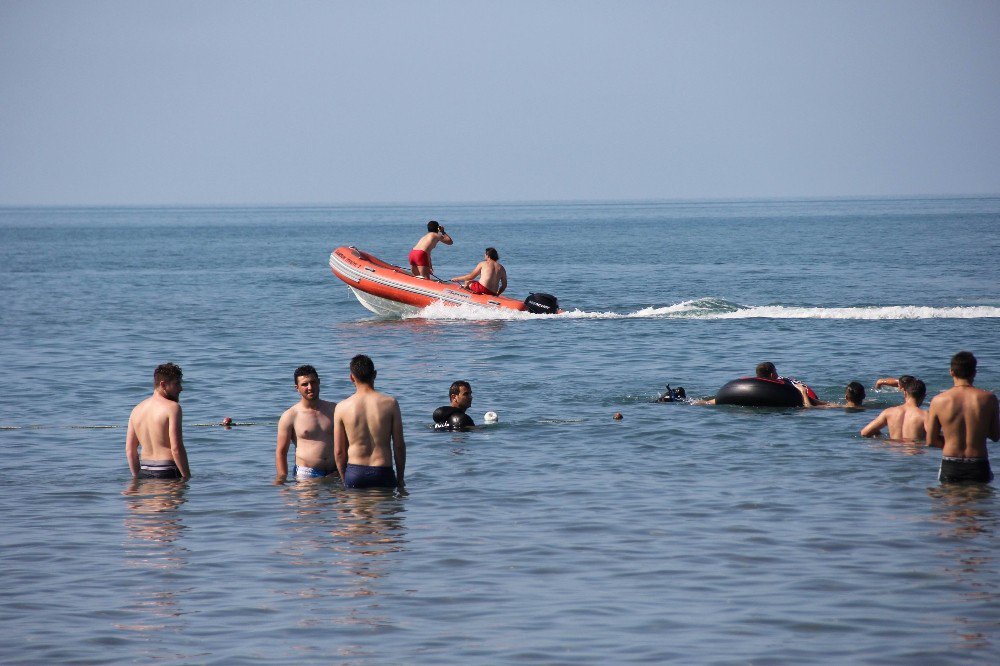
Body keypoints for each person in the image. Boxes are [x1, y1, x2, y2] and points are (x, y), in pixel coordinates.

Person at [333, 355, 406, 489]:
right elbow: (399, 446)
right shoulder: (390, 403)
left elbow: (339, 451)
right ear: (375, 375)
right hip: (382, 471)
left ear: (351, 377)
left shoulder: (342, 407)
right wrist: (400, 479)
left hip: (355, 472)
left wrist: (345, 479)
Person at [927, 351, 999, 483]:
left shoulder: (938, 401)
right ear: (974, 372)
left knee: (950, 501)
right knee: (980, 502)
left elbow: (931, 440)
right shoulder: (989, 399)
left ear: (951, 372)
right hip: (979, 463)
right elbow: (995, 436)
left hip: (951, 463)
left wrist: (951, 441)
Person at [125, 362, 191, 480]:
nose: (181, 388)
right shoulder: (173, 408)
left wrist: (137, 478)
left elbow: (130, 450)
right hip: (168, 471)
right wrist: (186, 477)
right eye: (177, 384)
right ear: (163, 384)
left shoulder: (136, 409)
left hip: (144, 472)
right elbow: (176, 448)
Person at [276, 365, 337, 481]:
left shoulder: (334, 409)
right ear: (297, 388)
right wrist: (281, 478)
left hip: (334, 472)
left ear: (319, 382)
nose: (310, 387)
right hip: (307, 473)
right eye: (304, 384)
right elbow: (281, 452)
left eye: (313, 382)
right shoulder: (290, 416)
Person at [697, 361, 818, 406]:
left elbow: (718, 399)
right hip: (789, 399)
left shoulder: (743, 385)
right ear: (772, 375)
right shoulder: (788, 386)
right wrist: (802, 392)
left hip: (732, 396)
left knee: (710, 402)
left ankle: (685, 401)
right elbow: (808, 407)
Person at [860, 379, 927, 440]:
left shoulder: (888, 412)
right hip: (914, 451)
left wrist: (880, 436)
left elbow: (864, 432)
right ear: (924, 396)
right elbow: (934, 439)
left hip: (893, 451)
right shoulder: (925, 415)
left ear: (905, 393)